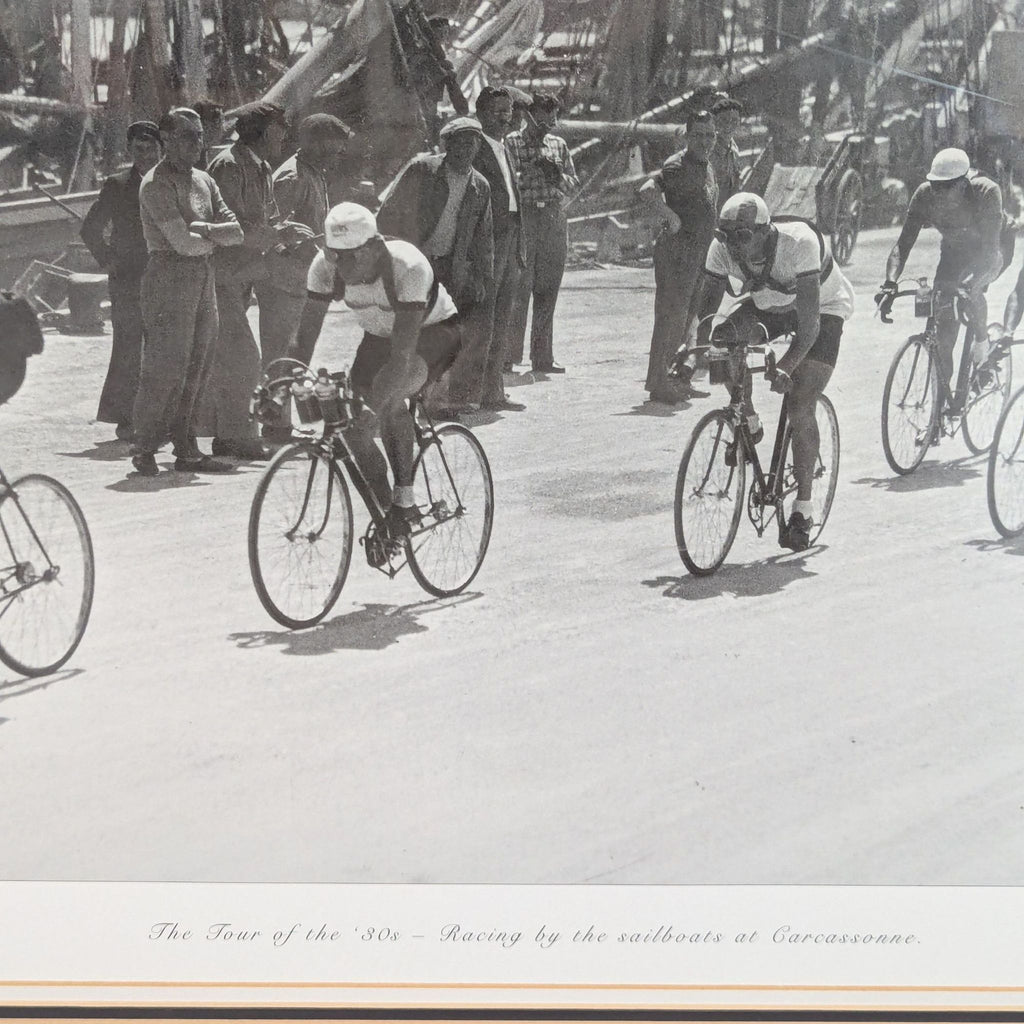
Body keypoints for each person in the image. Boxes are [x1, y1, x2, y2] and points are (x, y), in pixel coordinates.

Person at [690, 192, 854, 551]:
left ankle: (803, 510)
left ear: (766, 232)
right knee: (721, 343)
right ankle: (747, 418)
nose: (733, 246)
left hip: (822, 310)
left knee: (799, 403)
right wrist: (694, 351)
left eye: (743, 237)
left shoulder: (800, 244)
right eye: (726, 236)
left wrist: (786, 366)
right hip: (771, 306)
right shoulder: (721, 248)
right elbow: (705, 314)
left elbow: (809, 328)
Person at [293, 203, 462, 533]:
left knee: (386, 397)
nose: (339, 266)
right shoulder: (325, 267)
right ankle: (389, 516)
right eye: (333, 254)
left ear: (374, 247)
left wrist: (376, 406)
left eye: (349, 256)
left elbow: (401, 358)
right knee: (351, 427)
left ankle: (405, 500)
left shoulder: (408, 266)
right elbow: (303, 338)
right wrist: (285, 378)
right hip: (379, 335)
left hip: (433, 333)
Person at [131, 108, 243, 477]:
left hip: (202, 277)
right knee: (165, 365)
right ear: (166, 140)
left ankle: (188, 447)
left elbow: (237, 232)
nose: (198, 143)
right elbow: (181, 244)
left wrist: (203, 230)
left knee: (200, 363)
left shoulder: (204, 181)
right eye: (188, 136)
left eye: (199, 135)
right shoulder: (156, 183)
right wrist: (213, 236)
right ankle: (145, 447)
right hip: (167, 276)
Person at [196, 101, 309, 460]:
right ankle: (233, 436)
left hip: (241, 275)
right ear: (260, 132)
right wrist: (276, 236)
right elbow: (232, 229)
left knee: (232, 356)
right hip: (220, 276)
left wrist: (286, 231)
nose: (285, 135)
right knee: (243, 356)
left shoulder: (258, 167)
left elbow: (265, 219)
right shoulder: (230, 167)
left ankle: (229, 432)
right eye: (279, 128)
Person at [376, 116, 493, 414]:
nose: (466, 151)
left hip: (449, 269)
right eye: (460, 143)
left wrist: (481, 277)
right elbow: (389, 213)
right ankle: (389, 399)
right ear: (446, 145)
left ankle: (433, 402)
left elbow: (483, 236)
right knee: (401, 333)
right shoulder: (422, 171)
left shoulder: (480, 186)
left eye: (472, 144)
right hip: (413, 265)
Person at [875, 147, 1005, 407]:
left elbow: (991, 254)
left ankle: (982, 346)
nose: (939, 193)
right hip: (954, 253)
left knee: (971, 291)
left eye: (946, 187)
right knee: (943, 332)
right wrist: (889, 284)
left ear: (963, 183)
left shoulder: (986, 191)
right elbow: (902, 246)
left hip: (991, 250)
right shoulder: (924, 195)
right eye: (935, 185)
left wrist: (969, 286)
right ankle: (940, 409)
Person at [79, 120, 162, 441]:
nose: (145, 155)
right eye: (138, 149)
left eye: (151, 148)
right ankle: (125, 418)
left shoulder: (168, 180)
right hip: (127, 279)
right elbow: (90, 230)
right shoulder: (118, 184)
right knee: (128, 347)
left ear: (161, 149)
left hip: (163, 276)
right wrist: (109, 260)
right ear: (130, 150)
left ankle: (158, 416)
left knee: (161, 346)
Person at [635, 110, 718, 404]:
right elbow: (647, 190)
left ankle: (673, 378)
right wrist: (669, 216)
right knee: (671, 318)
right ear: (688, 135)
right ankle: (658, 382)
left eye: (710, 135)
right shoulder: (677, 165)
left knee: (686, 319)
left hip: (699, 252)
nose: (706, 141)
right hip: (677, 252)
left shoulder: (704, 165)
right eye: (699, 134)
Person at [265, 112, 354, 377]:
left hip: (305, 281)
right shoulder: (293, 178)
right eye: (335, 147)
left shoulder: (313, 172)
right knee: (280, 357)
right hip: (286, 284)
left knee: (297, 358)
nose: (340, 154)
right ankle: (274, 417)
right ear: (317, 143)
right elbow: (276, 237)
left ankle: (280, 417)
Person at [505, 92, 580, 374]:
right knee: (519, 288)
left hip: (552, 216)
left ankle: (542, 356)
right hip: (525, 216)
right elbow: (508, 184)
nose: (546, 126)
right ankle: (509, 357)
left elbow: (574, 186)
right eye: (542, 120)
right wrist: (527, 173)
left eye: (551, 120)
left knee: (548, 288)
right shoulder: (511, 143)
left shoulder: (558, 145)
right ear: (528, 116)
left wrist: (556, 174)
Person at [472, 86, 526, 410]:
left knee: (503, 318)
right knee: (485, 319)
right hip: (489, 242)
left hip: (510, 239)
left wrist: (520, 245)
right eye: (498, 112)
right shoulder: (477, 148)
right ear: (481, 114)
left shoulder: (504, 148)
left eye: (508, 112)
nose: (505, 118)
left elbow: (514, 198)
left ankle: (494, 391)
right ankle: (478, 391)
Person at [710, 97, 744, 211]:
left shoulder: (734, 148)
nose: (729, 126)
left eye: (734, 121)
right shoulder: (707, 150)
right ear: (714, 121)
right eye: (724, 120)